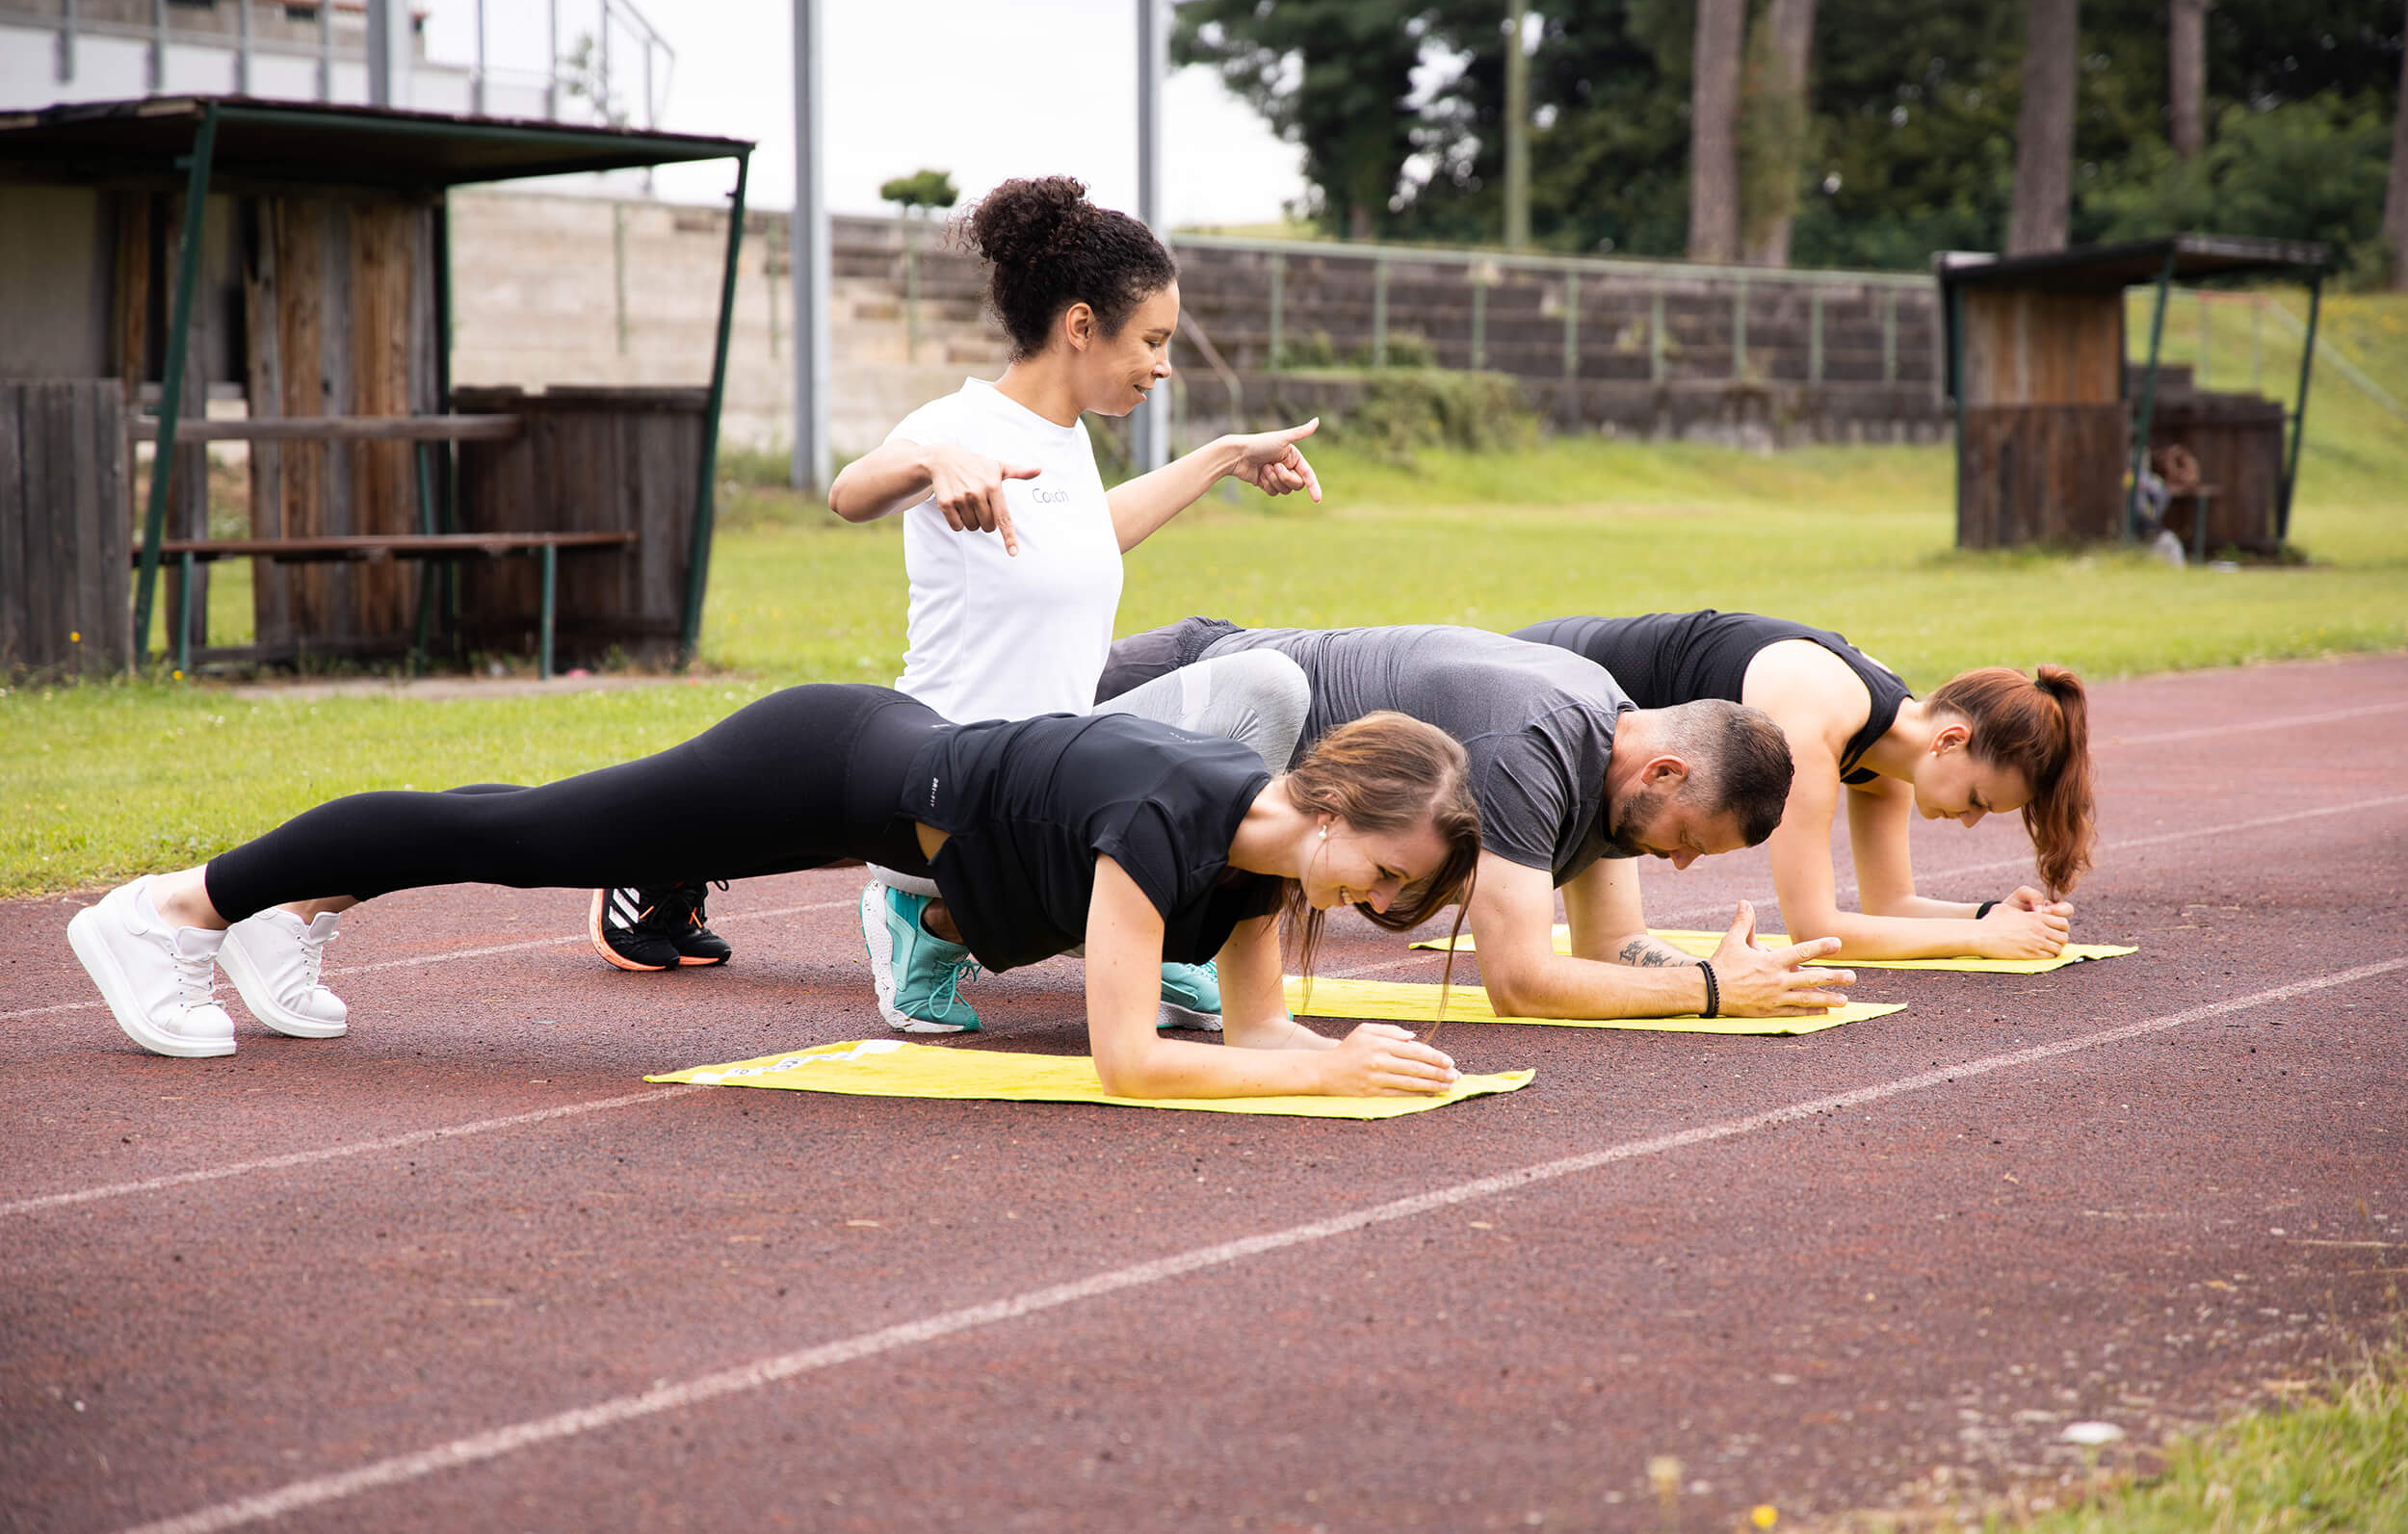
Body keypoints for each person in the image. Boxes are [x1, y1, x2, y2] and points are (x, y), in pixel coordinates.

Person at [591, 174, 1323, 1041]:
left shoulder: (1068, 437)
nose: (1164, 365)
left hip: (1059, 775)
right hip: (956, 798)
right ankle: (921, 925)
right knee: (1126, 820)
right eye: (1153, 341)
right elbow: (848, 492)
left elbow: (1086, 536)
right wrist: (932, 460)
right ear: (1081, 326)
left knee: (1269, 688)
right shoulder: (958, 422)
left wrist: (1225, 457)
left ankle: (1156, 924)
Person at [67, 689, 1482, 1100]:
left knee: (515, 830)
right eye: (1389, 873)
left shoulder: (1253, 859)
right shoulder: (1163, 815)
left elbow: (1245, 1034)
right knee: (519, 831)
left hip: (887, 771)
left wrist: (1342, 1053)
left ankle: (295, 910)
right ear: (1344, 803)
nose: (1372, 904)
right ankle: (179, 907)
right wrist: (1316, 1076)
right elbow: (1127, 1058)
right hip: (820, 760)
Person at [1097, 620, 1858, 1021]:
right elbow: (1521, 983)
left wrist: (1726, 973)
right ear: (1665, 772)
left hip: (1218, 720)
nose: (1680, 863)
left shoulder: (1619, 769)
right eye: (1688, 840)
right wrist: (1709, 989)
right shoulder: (1532, 745)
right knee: (1022, 833)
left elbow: (1609, 944)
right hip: (1188, 693)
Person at [1511, 611, 2094, 961]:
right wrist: (1979, 942)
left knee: (1606, 943)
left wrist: (1983, 917)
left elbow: (1888, 906)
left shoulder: (1892, 749)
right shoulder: (1814, 724)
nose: (1968, 820)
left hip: (1590, 705)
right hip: (1538, 684)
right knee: (1589, 943)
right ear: (1950, 739)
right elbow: (1815, 928)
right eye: (1976, 801)